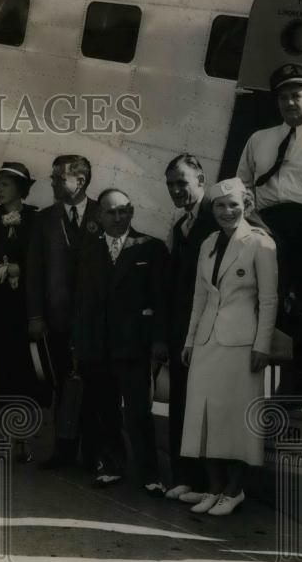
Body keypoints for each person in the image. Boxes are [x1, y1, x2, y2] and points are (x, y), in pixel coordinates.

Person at [181, 178, 278, 516]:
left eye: (233, 205)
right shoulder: (208, 241)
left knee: (233, 417)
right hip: (207, 340)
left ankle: (234, 490)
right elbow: (199, 297)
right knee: (202, 415)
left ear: (246, 206)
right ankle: (213, 487)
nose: (226, 211)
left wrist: (262, 345)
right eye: (220, 206)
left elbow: (268, 300)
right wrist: (191, 340)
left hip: (241, 343)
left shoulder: (260, 243)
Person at [236, 63, 302, 386]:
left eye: (297, 96)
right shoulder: (259, 140)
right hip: (268, 225)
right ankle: (253, 379)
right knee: (264, 300)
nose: (290, 103)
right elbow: (243, 185)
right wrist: (254, 222)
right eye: (283, 97)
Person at [73, 188, 168, 494]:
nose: (117, 217)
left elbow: (162, 299)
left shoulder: (151, 248)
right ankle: (113, 465)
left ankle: (151, 474)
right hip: (97, 345)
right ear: (99, 216)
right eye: (110, 212)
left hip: (133, 346)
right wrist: (79, 341)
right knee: (105, 409)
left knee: (138, 412)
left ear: (132, 212)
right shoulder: (87, 249)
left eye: (123, 211)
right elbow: (81, 300)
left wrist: (158, 340)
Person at [27, 154, 102, 469]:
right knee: (62, 385)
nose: (53, 183)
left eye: (59, 178)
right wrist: (35, 316)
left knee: (95, 386)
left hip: (95, 322)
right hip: (56, 321)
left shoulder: (105, 213)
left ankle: (94, 454)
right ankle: (63, 450)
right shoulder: (44, 219)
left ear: (80, 181)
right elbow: (33, 272)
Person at [162, 154, 218, 502]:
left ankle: (207, 483)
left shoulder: (219, 214)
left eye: (182, 182)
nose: (176, 190)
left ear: (200, 179)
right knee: (181, 400)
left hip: (210, 327)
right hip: (182, 327)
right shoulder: (181, 223)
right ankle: (185, 477)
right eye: (170, 184)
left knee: (204, 405)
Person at [0, 162, 39, 459]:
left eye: (5, 185)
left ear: (20, 189)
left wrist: (19, 269)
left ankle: (25, 441)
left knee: (26, 374)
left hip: (26, 310)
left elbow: (43, 265)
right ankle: (2, 440)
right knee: (0, 373)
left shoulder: (36, 220)